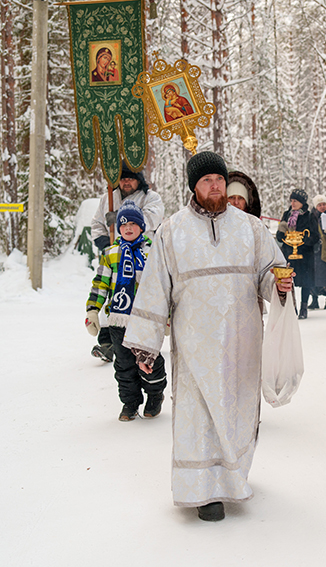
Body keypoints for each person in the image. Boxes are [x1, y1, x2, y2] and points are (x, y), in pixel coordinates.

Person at [123, 151, 293, 522]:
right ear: (194, 187)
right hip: (195, 344)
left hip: (242, 341)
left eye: (219, 179)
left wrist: (279, 286)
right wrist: (146, 344)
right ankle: (203, 492)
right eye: (206, 181)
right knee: (198, 415)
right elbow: (154, 289)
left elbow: (269, 271)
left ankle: (233, 478)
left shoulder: (250, 227)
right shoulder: (172, 230)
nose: (215, 186)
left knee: (237, 409)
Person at [85, 201, 168, 421]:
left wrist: (167, 316)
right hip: (119, 321)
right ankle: (130, 403)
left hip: (145, 321)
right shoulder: (111, 253)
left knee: (150, 362)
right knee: (124, 366)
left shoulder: (153, 253)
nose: (128, 228)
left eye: (133, 223)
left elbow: (162, 286)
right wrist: (93, 311)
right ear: (118, 229)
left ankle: (154, 395)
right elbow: (100, 284)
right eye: (123, 224)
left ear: (142, 226)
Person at [89, 162, 164, 363]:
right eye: (122, 178)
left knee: (138, 299)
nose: (126, 182)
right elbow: (97, 224)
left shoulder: (150, 198)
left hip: (141, 258)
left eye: (130, 177)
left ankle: (140, 342)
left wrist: (123, 218)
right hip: (114, 258)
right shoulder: (108, 198)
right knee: (111, 296)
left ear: (138, 179)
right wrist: (106, 245)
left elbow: (152, 219)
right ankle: (108, 343)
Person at [276, 188, 319, 319]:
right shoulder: (286, 215)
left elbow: (315, 236)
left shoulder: (310, 215)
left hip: (305, 254)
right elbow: (280, 234)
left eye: (295, 201)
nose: (293, 203)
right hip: (289, 253)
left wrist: (305, 241)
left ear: (302, 202)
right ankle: (292, 306)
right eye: (291, 200)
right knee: (289, 280)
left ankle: (304, 307)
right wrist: (281, 234)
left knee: (306, 281)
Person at [308, 194, 326, 310]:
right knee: (314, 276)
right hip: (316, 250)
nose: (322, 207)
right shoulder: (311, 217)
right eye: (319, 205)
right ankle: (315, 300)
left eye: (324, 204)